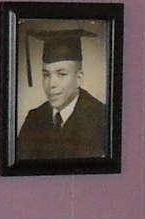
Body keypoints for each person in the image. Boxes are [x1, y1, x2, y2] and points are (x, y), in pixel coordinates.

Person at [16, 30, 107, 159]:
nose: (51, 84)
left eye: (61, 74)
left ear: (79, 78)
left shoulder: (101, 118)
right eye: (46, 75)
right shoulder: (34, 118)